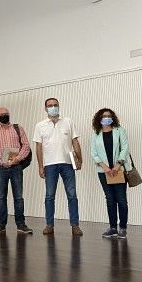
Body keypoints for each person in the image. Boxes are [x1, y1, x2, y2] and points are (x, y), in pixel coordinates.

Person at [33, 98, 83, 236]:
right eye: (50, 105)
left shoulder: (68, 121)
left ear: (59, 106)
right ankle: (49, 225)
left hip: (68, 163)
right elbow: (38, 147)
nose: (53, 107)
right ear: (45, 109)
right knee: (49, 196)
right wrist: (40, 166)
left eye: (55, 105)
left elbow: (75, 141)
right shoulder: (40, 125)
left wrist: (80, 160)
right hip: (49, 165)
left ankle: (75, 225)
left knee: (72, 195)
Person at [0, 107, 33, 235]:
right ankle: (1, 225)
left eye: (6, 114)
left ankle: (21, 224)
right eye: (1, 114)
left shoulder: (18, 128)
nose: (4, 115)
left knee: (18, 197)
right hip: (0, 168)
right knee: (1, 197)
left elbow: (26, 146)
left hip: (16, 167)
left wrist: (17, 159)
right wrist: (0, 161)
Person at [90, 108, 130, 239]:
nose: (106, 118)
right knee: (110, 199)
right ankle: (113, 228)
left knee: (121, 199)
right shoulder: (95, 134)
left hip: (119, 170)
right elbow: (94, 153)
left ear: (112, 118)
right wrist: (105, 168)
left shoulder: (120, 130)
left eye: (109, 116)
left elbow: (125, 148)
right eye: (103, 116)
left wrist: (117, 165)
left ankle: (122, 228)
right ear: (99, 119)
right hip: (103, 171)